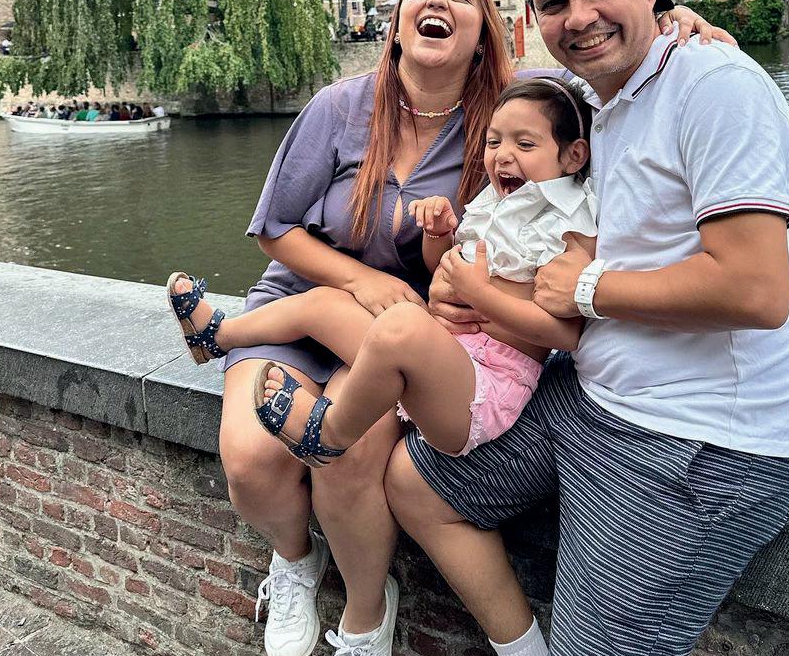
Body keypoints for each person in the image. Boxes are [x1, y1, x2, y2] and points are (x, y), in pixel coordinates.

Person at [210, 0, 727, 656]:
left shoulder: (507, 116)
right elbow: (273, 229)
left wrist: (673, 30)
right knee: (250, 457)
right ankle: (292, 559)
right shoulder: (339, 107)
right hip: (313, 303)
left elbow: (601, 86)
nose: (437, 2)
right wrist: (364, 280)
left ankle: (366, 617)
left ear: (487, 32)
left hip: (413, 332)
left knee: (355, 453)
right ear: (395, 26)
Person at [386, 0, 789, 656]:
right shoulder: (594, 98)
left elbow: (756, 288)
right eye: (554, 3)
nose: (579, 17)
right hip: (591, 401)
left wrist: (585, 288)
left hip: (699, 442)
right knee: (414, 481)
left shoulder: (718, 87)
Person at [167, 77, 597, 468]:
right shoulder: (495, 203)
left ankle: (328, 434)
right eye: (493, 142)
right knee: (326, 303)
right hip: (440, 351)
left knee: (402, 324)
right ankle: (217, 337)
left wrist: (480, 295)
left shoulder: (570, 226)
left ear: (573, 155)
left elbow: (565, 334)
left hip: (477, 392)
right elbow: (442, 269)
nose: (502, 155)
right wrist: (438, 234)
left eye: (525, 145)